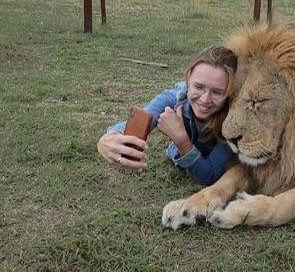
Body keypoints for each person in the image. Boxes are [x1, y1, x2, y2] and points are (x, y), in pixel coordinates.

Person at [97, 46, 237, 185]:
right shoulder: (176, 98)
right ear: (188, 80)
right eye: (198, 87)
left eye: (217, 92)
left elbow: (209, 175)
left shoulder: (235, 120)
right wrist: (110, 137)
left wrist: (181, 140)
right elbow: (142, 119)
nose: (205, 99)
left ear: (230, 93)